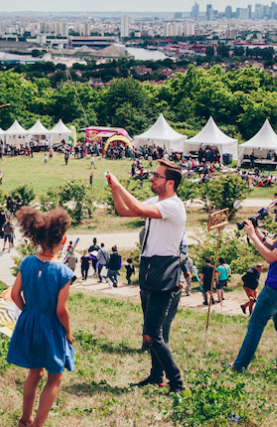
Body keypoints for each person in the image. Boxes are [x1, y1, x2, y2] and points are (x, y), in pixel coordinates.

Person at [107, 160, 187, 393]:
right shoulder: (157, 201)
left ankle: (177, 382)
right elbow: (124, 210)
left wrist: (121, 185)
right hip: (150, 271)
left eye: (157, 176)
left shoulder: (173, 205)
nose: (151, 178)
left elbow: (140, 210)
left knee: (152, 335)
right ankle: (156, 376)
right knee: (154, 333)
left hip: (165, 274)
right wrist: (114, 190)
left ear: (170, 182)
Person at [7, 207, 74, 427]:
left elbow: (15, 294)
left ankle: (25, 419)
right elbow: (61, 310)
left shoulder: (26, 263)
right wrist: (68, 331)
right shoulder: (63, 273)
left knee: (34, 372)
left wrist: (28, 312)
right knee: (55, 375)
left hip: (29, 321)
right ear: (62, 240)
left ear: (36, 238)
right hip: (51, 328)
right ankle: (37, 425)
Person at [227, 196, 277, 375]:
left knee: (255, 324)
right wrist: (257, 231)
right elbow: (273, 246)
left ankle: (239, 365)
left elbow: (270, 257)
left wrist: (252, 236)